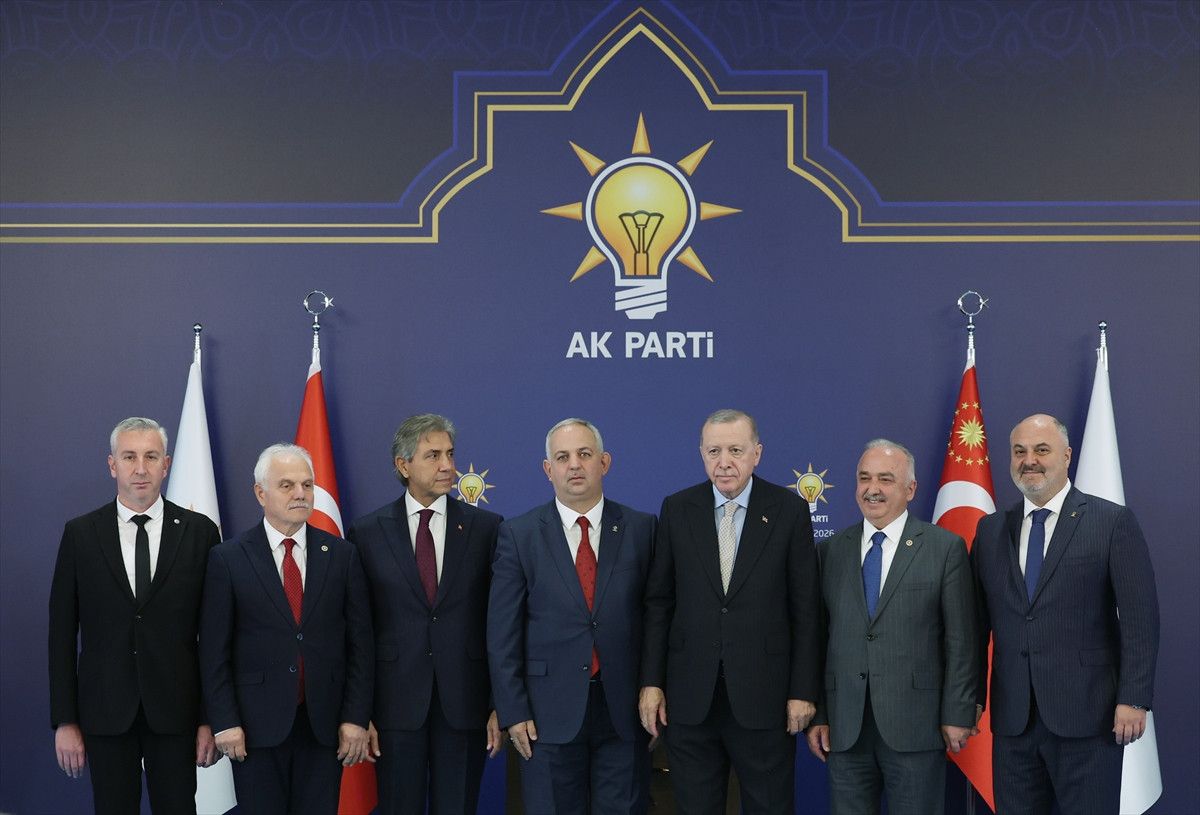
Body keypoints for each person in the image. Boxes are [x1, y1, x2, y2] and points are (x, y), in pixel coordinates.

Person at [972, 414, 1159, 815]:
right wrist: (968, 700)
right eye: (1019, 451)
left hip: (1089, 718)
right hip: (1014, 721)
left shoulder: (1111, 522)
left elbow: (1140, 619)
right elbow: (975, 627)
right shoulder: (990, 531)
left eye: (1042, 450)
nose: (1029, 460)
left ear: (1067, 456)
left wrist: (1134, 698)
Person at [640, 409, 821, 814]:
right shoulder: (677, 508)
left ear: (757, 453)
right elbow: (659, 603)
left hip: (766, 699)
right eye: (714, 451)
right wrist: (651, 681)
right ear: (701, 454)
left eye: (735, 451)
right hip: (690, 699)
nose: (724, 462)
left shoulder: (789, 510)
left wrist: (803, 690)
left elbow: (805, 610)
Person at [48, 416, 221, 815]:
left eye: (151, 456)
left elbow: (213, 635)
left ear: (167, 464)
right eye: (129, 457)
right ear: (113, 465)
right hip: (105, 713)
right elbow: (61, 635)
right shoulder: (80, 534)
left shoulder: (199, 533)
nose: (140, 468)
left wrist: (208, 718)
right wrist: (65, 720)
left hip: (177, 714)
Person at [489, 418, 656, 814]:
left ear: (604, 462)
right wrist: (513, 710)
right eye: (563, 457)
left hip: (624, 712)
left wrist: (653, 686)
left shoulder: (641, 528)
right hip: (546, 716)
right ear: (548, 469)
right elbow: (502, 633)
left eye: (584, 454)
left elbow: (656, 619)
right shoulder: (519, 534)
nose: (575, 465)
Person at [199, 443, 373, 815]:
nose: (300, 494)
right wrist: (225, 721)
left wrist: (355, 717)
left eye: (307, 485)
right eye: (287, 485)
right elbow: (213, 651)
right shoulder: (228, 558)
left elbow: (361, 646)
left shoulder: (342, 555)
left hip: (324, 727)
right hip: (254, 730)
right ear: (261, 493)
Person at [806, 440, 977, 815]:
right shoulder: (830, 551)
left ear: (910, 489)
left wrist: (958, 712)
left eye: (886, 479)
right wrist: (820, 713)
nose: (873, 489)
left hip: (917, 725)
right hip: (845, 728)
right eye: (864, 478)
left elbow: (962, 641)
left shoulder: (944, 548)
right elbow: (817, 640)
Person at [348, 414, 503, 814]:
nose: (447, 465)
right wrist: (359, 712)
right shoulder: (367, 533)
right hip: (394, 707)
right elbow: (359, 630)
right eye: (433, 455)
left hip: (465, 704)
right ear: (403, 465)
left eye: (450, 454)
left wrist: (497, 703)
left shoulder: (487, 528)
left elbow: (498, 623)